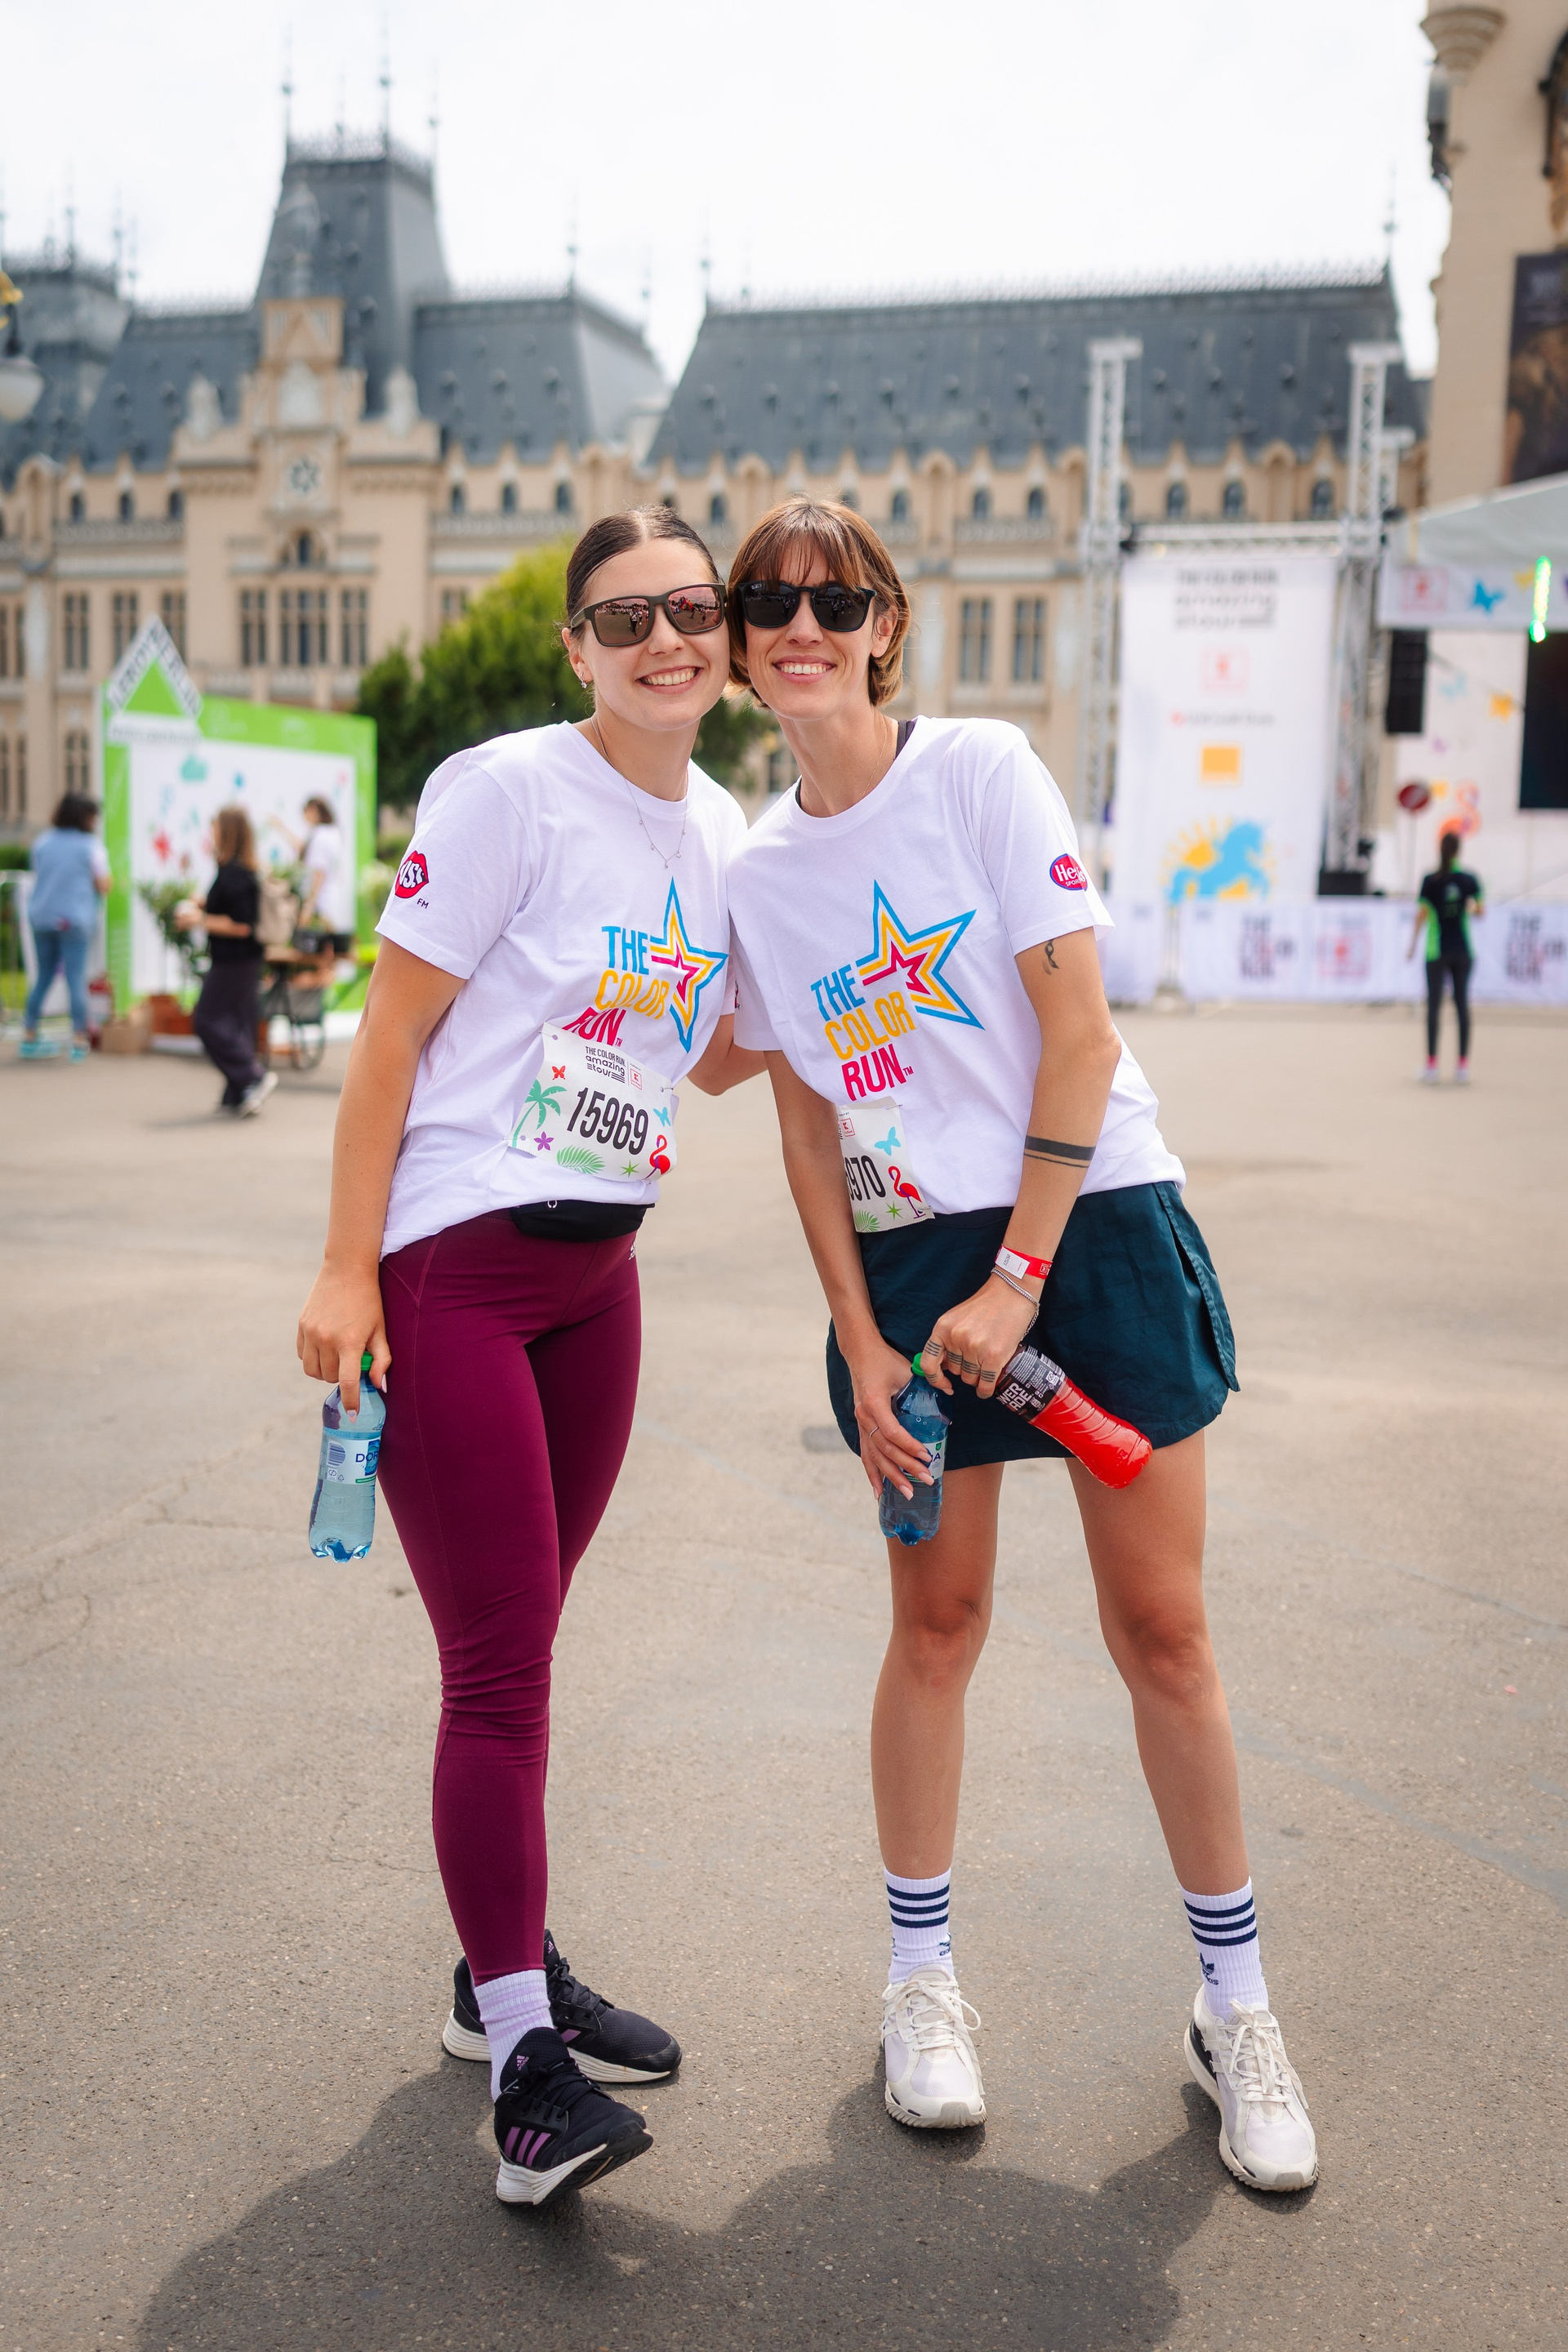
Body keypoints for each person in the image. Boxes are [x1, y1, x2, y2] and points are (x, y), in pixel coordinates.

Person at [724, 499, 1317, 2194]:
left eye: (836, 598)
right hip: (913, 1266)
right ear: (746, 641)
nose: (803, 623)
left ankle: (1236, 2007)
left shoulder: (983, 772)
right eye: (769, 599)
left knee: (1164, 1632)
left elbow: (1081, 1032)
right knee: (938, 1623)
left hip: (1091, 1218)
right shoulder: (758, 874)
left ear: (885, 624)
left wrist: (1021, 1278)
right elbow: (804, 1122)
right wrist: (860, 1339)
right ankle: (919, 1984)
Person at [296, 506, 762, 2212]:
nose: (665, 640)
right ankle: (523, 2075)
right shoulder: (504, 791)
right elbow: (390, 1038)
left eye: (691, 609)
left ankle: (494, 1966)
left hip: (599, 1278)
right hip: (459, 1276)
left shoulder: (723, 826)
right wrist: (345, 1268)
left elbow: (710, 1052)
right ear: (578, 647)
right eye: (625, 618)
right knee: (499, 1672)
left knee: (528, 1648)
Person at [176, 807, 278, 1117]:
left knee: (207, 1018)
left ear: (228, 831)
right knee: (237, 1021)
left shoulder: (235, 872)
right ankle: (239, 1092)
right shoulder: (237, 869)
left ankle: (252, 1077)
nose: (212, 832)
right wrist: (203, 905)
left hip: (235, 959)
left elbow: (242, 925)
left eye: (216, 827)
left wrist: (199, 919)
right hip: (240, 959)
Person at [19, 792, 111, 1062]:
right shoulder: (90, 845)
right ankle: (79, 1038)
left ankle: (29, 1032)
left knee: (44, 976)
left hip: (42, 917)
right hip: (74, 918)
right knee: (75, 978)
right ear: (85, 817)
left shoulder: (42, 843)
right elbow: (103, 883)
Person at [1409, 831, 1482, 1084]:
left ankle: (1432, 1065)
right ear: (1459, 851)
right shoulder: (1469, 880)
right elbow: (1480, 910)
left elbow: (1421, 914)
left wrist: (1412, 944)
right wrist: (1470, 907)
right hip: (1462, 950)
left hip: (1437, 951)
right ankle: (1462, 1066)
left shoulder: (1431, 881)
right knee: (1462, 1006)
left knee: (1434, 1007)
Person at [295, 795, 354, 981]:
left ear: (313, 811)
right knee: (331, 953)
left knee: (320, 955)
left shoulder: (320, 836)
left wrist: (308, 905)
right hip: (333, 899)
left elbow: (319, 873)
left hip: (321, 902)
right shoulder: (334, 833)